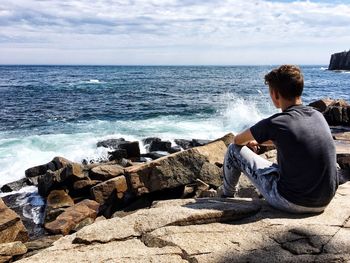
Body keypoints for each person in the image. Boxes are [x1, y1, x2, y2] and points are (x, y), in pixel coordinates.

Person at [221, 65, 338, 213]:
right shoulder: (317, 115)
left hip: (291, 201)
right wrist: (258, 141)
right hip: (324, 200)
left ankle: (226, 198)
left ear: (275, 94)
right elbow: (291, 137)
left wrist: (250, 142)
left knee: (233, 150)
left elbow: (237, 141)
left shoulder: (276, 122)